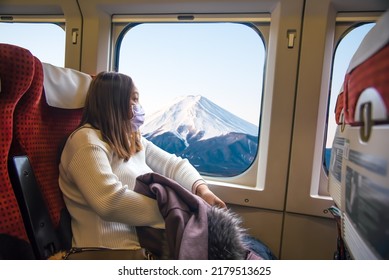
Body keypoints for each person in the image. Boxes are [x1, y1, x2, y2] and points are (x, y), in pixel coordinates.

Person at [58, 71, 226, 256]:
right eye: (134, 100)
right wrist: (176, 211)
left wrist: (202, 191)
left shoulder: (131, 139)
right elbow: (109, 202)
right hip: (107, 251)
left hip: (146, 246)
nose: (139, 107)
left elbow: (173, 165)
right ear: (115, 102)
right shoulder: (86, 142)